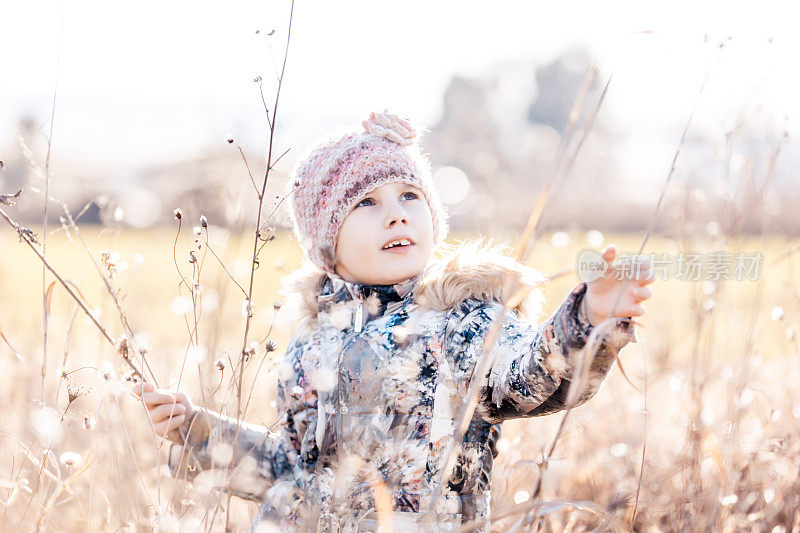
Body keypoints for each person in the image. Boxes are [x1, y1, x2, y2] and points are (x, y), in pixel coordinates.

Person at [131, 110, 654, 532]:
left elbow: (532, 376)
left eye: (410, 197)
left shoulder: (463, 320)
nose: (397, 214)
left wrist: (587, 320)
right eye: (366, 202)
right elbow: (295, 472)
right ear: (326, 247)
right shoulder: (310, 344)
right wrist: (203, 434)